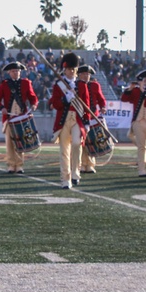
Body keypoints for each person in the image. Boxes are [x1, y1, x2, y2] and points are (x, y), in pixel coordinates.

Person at [49, 52, 89, 189]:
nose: (71, 72)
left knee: (77, 144)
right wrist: (65, 99)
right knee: (64, 150)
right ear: (64, 70)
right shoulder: (58, 85)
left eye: (74, 69)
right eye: (69, 69)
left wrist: (87, 122)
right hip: (63, 120)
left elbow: (86, 105)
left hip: (77, 119)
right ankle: (65, 179)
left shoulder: (82, 86)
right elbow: (55, 104)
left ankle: (75, 173)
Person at [0, 61, 39, 174]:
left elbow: (33, 97)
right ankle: (11, 165)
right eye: (13, 71)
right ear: (9, 72)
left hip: (21, 117)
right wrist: (1, 107)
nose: (16, 73)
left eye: (17, 71)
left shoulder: (26, 83)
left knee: (20, 141)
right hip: (9, 118)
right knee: (9, 142)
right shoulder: (4, 84)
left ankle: (19, 165)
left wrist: (34, 104)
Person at [121, 69, 146, 177]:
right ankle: (142, 169)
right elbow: (124, 99)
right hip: (138, 121)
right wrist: (130, 89)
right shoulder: (136, 91)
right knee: (142, 147)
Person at [78, 64, 107, 174]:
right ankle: (80, 164)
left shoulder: (95, 85)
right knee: (81, 142)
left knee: (91, 141)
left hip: (93, 116)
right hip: (80, 116)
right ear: (79, 75)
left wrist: (103, 107)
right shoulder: (76, 85)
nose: (86, 76)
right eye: (84, 74)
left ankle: (90, 164)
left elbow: (101, 98)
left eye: (88, 74)